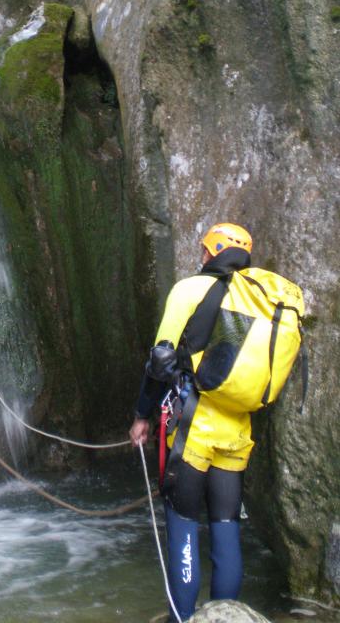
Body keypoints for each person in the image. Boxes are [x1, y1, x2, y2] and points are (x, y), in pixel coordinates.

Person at [129, 223, 256, 622]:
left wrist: (142, 415)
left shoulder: (190, 289)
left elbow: (161, 359)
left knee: (183, 522)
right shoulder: (256, 299)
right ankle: (226, 616)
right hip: (237, 430)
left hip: (192, 428)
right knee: (225, 524)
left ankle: (183, 617)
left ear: (211, 253)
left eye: (204, 249)